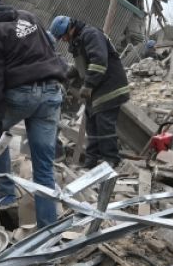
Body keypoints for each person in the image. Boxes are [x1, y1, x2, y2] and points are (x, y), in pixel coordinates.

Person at [0, 0, 68, 227]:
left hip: (21, 95)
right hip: (51, 92)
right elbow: (51, 43)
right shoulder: (29, 17)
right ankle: (48, 230)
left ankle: (4, 194)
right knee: (43, 168)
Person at [49, 15, 130, 170]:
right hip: (98, 89)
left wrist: (88, 85)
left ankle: (110, 161)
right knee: (91, 126)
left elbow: (99, 62)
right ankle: (91, 163)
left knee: (104, 125)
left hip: (110, 87)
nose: (63, 40)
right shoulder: (78, 40)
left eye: (63, 36)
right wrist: (63, 75)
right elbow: (81, 66)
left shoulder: (90, 34)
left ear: (69, 29)